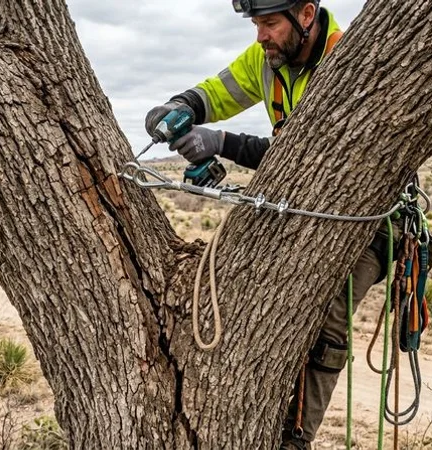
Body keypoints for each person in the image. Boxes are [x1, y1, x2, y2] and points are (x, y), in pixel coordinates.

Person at [144, 1, 393, 449]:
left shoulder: (347, 60)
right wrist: (177, 108)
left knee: (327, 320)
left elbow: (310, 153)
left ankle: (293, 440)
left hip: (364, 221)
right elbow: (217, 92)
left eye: (269, 23)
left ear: (305, 14)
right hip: (300, 210)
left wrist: (221, 142)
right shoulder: (267, 57)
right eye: (257, 24)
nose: (261, 36)